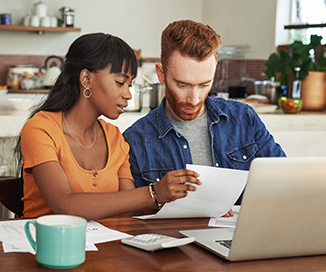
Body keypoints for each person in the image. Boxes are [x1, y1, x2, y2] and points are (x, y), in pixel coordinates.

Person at [16, 33, 201, 220]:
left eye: (129, 85)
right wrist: (154, 193)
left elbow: (129, 207)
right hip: (43, 245)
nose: (128, 94)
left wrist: (198, 206)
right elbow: (64, 205)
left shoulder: (114, 137)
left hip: (106, 246)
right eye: (120, 83)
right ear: (86, 79)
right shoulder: (41, 129)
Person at [123, 20, 285, 192]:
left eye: (204, 85)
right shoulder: (135, 141)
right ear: (161, 74)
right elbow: (136, 213)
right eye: (182, 85)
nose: (194, 99)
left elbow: (283, 179)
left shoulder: (244, 118)